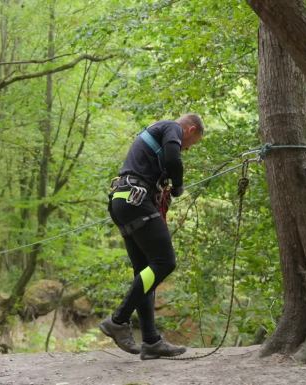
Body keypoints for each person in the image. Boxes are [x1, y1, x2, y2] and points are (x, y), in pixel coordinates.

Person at [100, 113, 205, 360]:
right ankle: (118, 320)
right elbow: (173, 157)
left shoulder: (156, 134)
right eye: (192, 143)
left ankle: (151, 341)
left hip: (122, 202)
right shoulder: (172, 128)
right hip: (136, 201)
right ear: (190, 130)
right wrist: (178, 183)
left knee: (146, 273)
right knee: (164, 262)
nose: (187, 148)